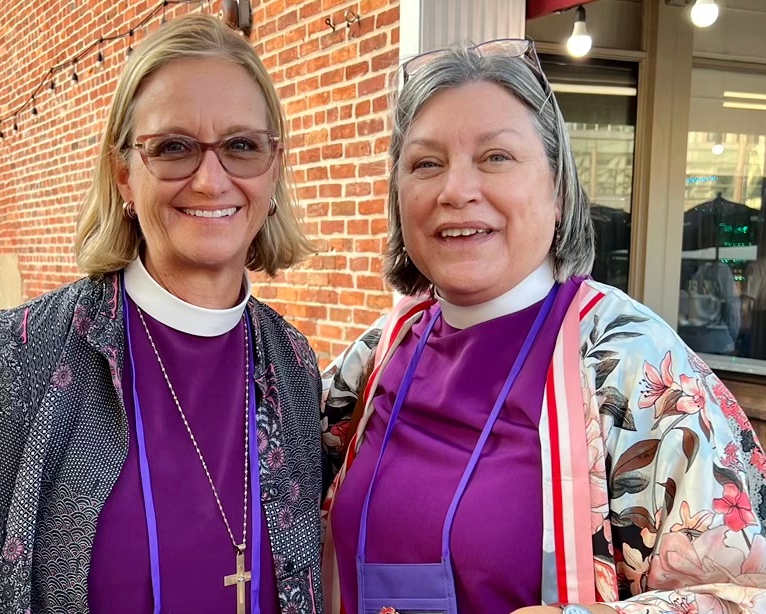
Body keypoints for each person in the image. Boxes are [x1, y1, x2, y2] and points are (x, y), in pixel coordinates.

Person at [320, 40, 766, 614]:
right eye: (426, 163)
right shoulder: (384, 350)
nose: (455, 190)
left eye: (495, 157)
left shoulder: (633, 362)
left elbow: (748, 593)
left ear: (558, 190)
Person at [0, 15, 325, 613]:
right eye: (173, 148)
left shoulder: (292, 367)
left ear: (273, 172)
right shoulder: (17, 358)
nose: (211, 179)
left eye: (242, 146)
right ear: (124, 179)